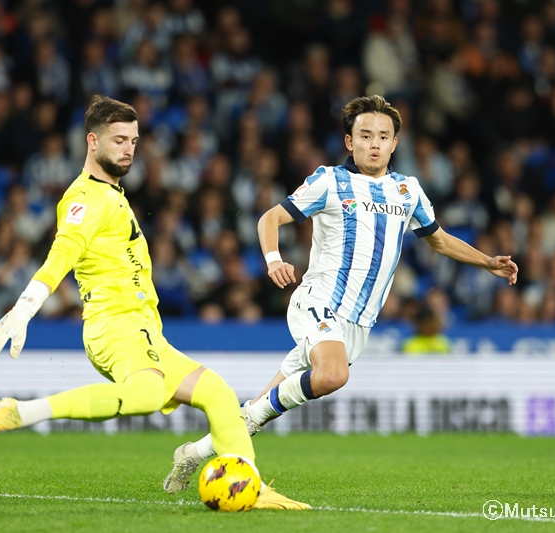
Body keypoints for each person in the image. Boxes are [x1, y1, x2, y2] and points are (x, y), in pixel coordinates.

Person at [163, 95, 518, 492]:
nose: (374, 143)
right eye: (365, 135)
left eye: (383, 136)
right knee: (333, 375)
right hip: (318, 302)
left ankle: (192, 453)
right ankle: (249, 419)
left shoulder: (408, 190)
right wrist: (273, 260)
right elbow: (270, 218)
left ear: (394, 143)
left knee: (263, 406)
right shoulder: (330, 181)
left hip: (357, 325)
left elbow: (439, 239)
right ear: (350, 141)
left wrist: (487, 262)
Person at [0, 95, 309, 510]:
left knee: (219, 395)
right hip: (115, 326)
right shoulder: (86, 198)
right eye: (118, 140)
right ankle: (22, 412)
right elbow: (62, 254)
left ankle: (250, 486)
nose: (128, 149)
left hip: (144, 330)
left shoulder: (110, 193)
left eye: (133, 140)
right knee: (147, 395)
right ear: (92, 141)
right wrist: (23, 309)